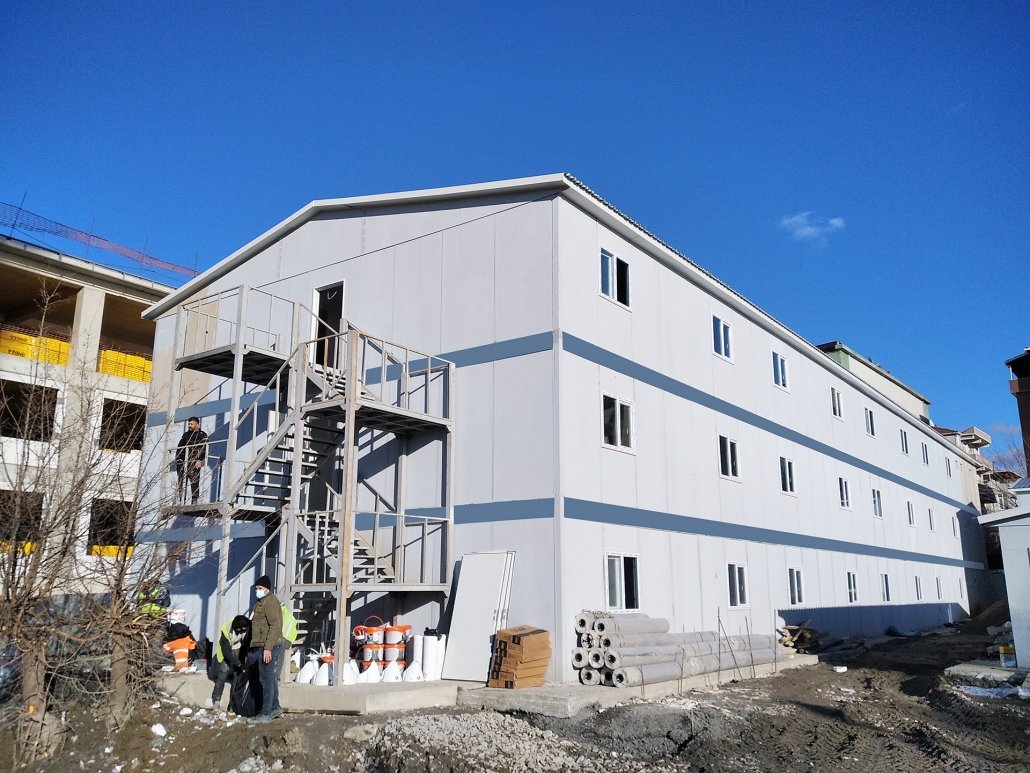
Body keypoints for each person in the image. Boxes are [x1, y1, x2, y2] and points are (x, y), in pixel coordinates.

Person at [248, 575, 284, 723]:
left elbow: (275, 626)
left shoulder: (270, 602)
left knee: (266, 680)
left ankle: (266, 713)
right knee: (269, 678)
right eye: (256, 588)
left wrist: (268, 648)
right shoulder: (262, 602)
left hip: (268, 646)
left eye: (260, 588)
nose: (257, 590)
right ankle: (275, 707)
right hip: (264, 644)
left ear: (267, 589)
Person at [208, 615, 251, 709]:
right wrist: (239, 664)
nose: (242, 631)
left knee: (237, 677)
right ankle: (216, 699)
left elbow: (247, 643)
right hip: (226, 653)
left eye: (244, 629)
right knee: (222, 675)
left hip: (239, 648)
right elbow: (227, 652)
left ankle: (233, 703)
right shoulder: (226, 631)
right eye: (240, 629)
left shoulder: (247, 626)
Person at [176, 416, 208, 505]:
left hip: (194, 461)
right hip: (184, 461)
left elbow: (204, 448)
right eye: (189, 424)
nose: (189, 426)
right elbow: (180, 447)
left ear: (197, 424)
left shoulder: (202, 435)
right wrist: (178, 459)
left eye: (191, 424)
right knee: (181, 481)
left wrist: (199, 460)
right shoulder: (186, 435)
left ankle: (194, 500)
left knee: (194, 481)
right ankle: (182, 500)